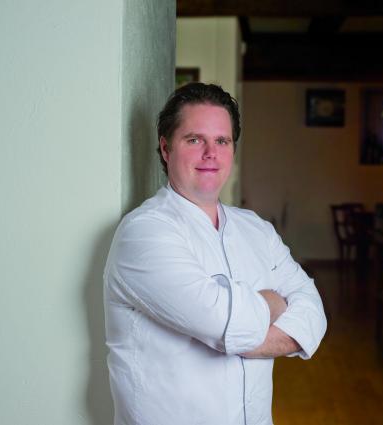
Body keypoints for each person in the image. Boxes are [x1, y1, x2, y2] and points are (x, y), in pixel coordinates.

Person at [104, 83, 327, 425]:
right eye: (195, 140)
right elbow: (224, 324)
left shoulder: (257, 229)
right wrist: (274, 303)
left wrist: (233, 331)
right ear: (165, 148)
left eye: (222, 141)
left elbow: (313, 313)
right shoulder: (144, 233)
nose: (211, 153)